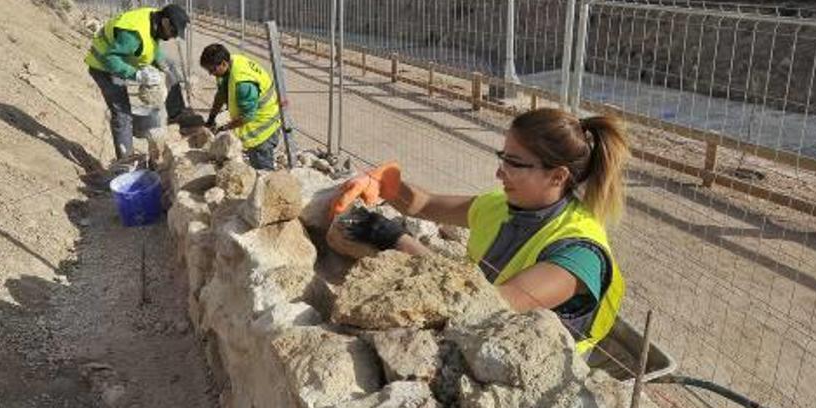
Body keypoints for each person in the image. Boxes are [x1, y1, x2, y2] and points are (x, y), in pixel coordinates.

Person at [330, 108, 628, 355]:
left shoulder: (578, 253)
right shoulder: (505, 205)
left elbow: (488, 306)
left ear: (557, 176)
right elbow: (425, 204)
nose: (499, 172)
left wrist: (398, 240)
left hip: (525, 367)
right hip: (478, 334)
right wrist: (384, 184)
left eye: (514, 163)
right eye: (503, 157)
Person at [85, 4, 190, 160]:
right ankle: (126, 160)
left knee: (170, 68)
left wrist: (162, 65)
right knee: (122, 114)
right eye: (174, 32)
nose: (174, 37)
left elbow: (152, 45)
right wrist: (138, 75)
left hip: (123, 59)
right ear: (166, 22)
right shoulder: (133, 34)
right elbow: (110, 59)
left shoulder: (155, 20)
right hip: (104, 66)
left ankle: (177, 116)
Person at [200, 44, 281, 170]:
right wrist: (211, 119)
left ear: (223, 63)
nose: (211, 74)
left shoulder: (242, 83)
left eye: (212, 70)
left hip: (262, 128)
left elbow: (248, 116)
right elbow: (221, 94)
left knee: (263, 172)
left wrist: (225, 128)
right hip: (257, 120)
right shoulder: (231, 64)